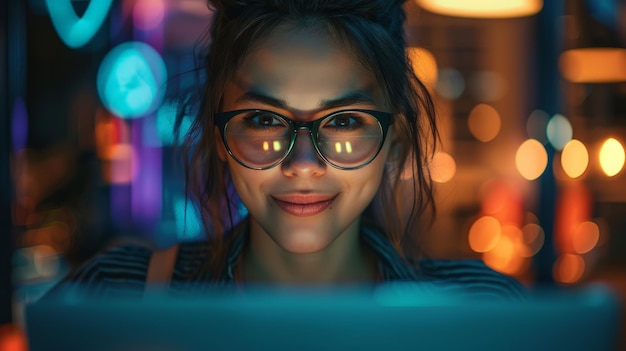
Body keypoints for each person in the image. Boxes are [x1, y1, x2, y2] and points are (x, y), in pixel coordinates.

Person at [48, 0, 524, 299]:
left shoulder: (485, 310)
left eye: (343, 121)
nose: (302, 165)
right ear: (219, 133)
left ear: (394, 142)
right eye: (262, 119)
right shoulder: (114, 295)